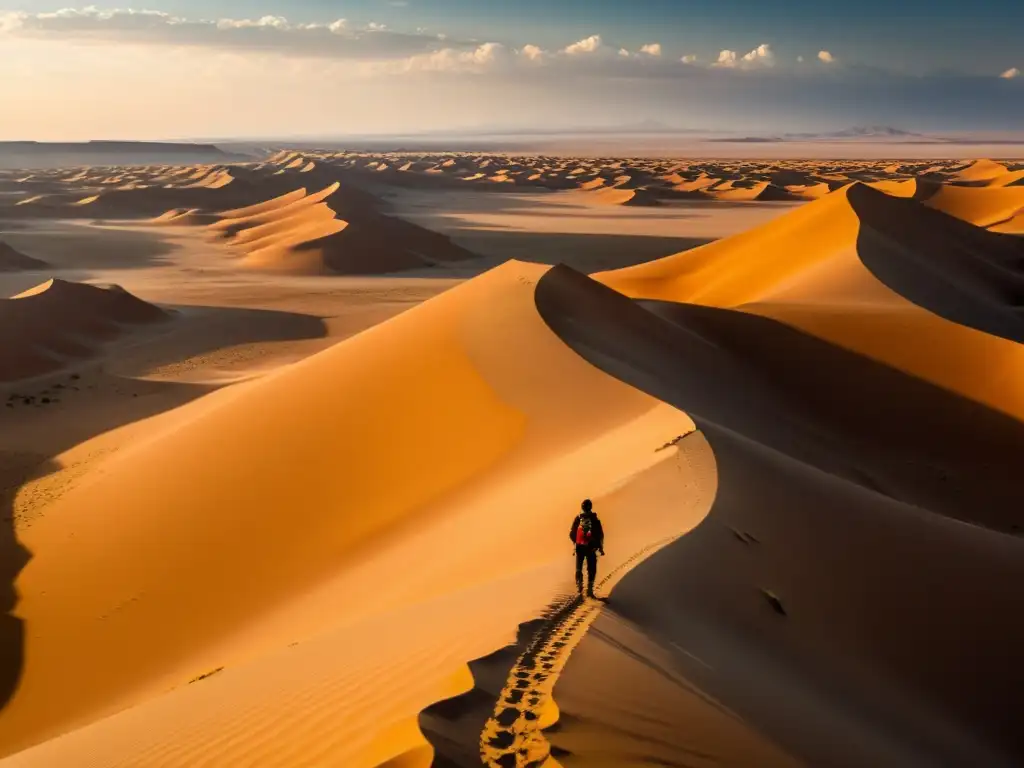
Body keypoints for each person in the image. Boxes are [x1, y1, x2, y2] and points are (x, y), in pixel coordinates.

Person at [569, 499, 605, 597]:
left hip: (579, 547)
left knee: (578, 567)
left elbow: (572, 533)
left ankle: (579, 585)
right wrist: (600, 547)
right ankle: (589, 589)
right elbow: (600, 535)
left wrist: (575, 543)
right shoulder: (595, 520)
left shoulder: (578, 518)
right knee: (592, 568)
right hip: (591, 548)